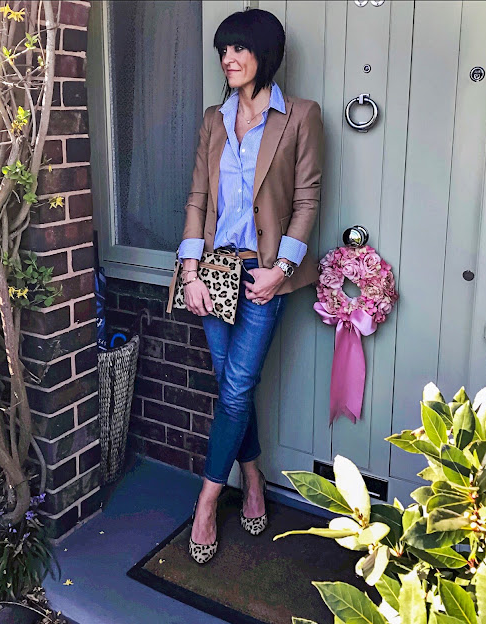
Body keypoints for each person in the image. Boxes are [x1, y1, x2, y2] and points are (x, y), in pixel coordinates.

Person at [177, 8, 324, 563]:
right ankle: (254, 478)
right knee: (230, 386)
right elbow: (197, 199)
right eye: (223, 51)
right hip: (214, 271)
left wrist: (281, 270)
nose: (229, 59)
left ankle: (207, 504)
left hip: (264, 275)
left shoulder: (301, 116)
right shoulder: (215, 120)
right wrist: (190, 272)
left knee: (236, 389)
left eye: (239, 49)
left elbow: (307, 201)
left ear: (265, 54)